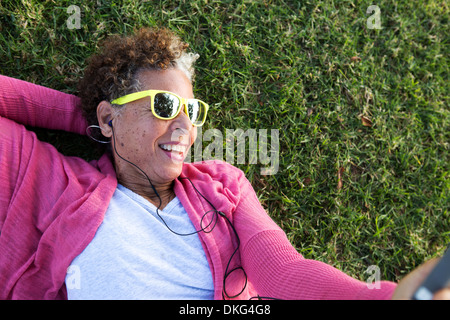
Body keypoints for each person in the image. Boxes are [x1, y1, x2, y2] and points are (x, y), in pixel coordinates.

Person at [0, 27, 447, 300]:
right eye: (163, 104)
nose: (184, 127)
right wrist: (93, 122)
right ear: (108, 114)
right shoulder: (56, 182)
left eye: (192, 112)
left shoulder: (221, 186)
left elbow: (283, 272)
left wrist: (379, 299)